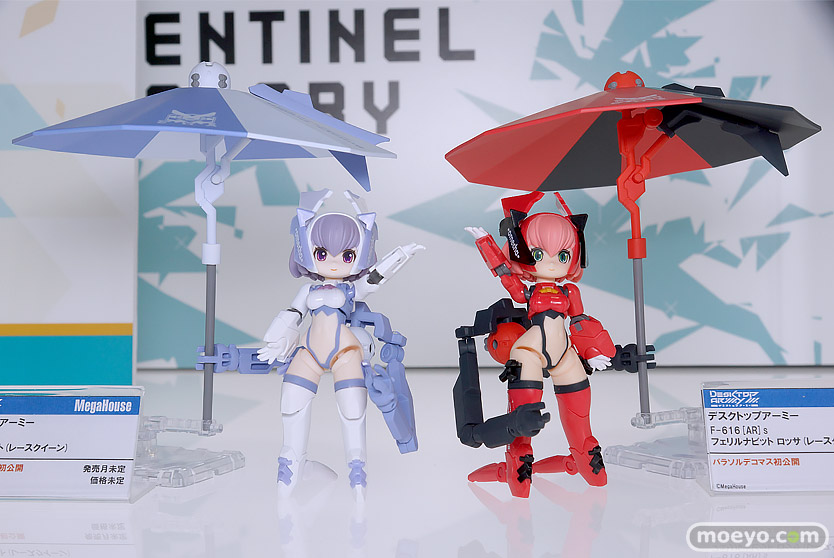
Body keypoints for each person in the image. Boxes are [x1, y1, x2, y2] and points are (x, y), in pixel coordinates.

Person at [258, 189, 421, 499]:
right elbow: (292, 315)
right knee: (291, 406)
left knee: (352, 412)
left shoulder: (351, 290)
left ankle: (357, 475)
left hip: (345, 352)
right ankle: (293, 466)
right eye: (322, 253)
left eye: (346, 255)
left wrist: (401, 254)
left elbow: (375, 278)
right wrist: (275, 341)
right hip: (308, 352)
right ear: (307, 250)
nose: (334, 262)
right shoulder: (308, 291)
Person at [465, 190, 615, 496]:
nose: (552, 263)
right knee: (524, 420)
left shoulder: (570, 292)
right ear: (523, 252)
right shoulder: (529, 292)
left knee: (580, 416)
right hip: (530, 351)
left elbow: (580, 322)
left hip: (564, 354)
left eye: (562, 255)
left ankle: (584, 457)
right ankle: (517, 464)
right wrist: (486, 243)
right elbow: (506, 276)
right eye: (538, 254)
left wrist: (594, 353)